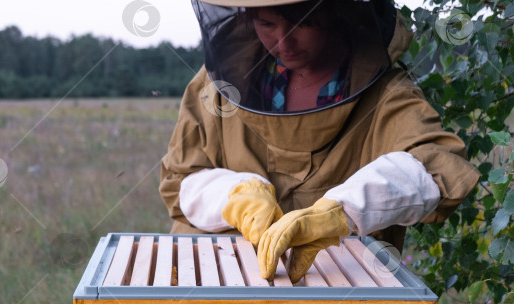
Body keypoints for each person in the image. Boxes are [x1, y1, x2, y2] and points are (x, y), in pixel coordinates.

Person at [159, 0, 480, 283]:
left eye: (303, 23)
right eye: (266, 23)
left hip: (342, 297)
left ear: (334, 12)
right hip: (216, 284)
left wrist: (344, 210)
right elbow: (180, 182)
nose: (284, 42)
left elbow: (438, 166)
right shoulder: (219, 85)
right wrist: (233, 196)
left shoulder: (386, 95)